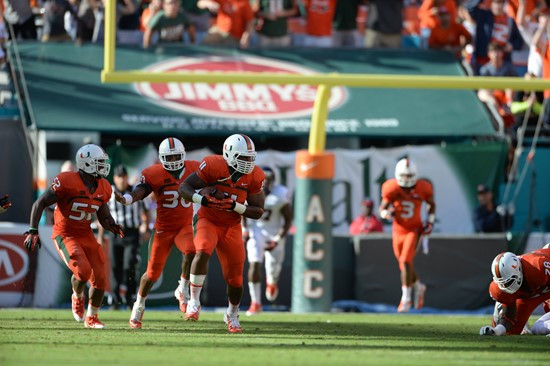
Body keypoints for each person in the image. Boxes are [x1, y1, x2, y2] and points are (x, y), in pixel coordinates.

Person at [23, 144, 124, 329]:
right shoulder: (67, 180)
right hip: (65, 234)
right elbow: (40, 202)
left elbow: (103, 213)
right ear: (87, 163)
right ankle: (77, 296)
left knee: (101, 276)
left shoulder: (103, 186)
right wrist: (33, 230)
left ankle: (92, 318)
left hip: (85, 234)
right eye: (99, 163)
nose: (103, 166)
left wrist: (111, 224)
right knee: (83, 271)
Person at [178, 134, 265, 333]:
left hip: (232, 227)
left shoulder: (255, 175)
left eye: (251, 158)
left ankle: (232, 314)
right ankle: (194, 302)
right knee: (202, 250)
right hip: (208, 219)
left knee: (235, 280)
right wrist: (204, 200)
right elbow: (184, 187)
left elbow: (258, 211)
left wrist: (236, 206)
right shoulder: (213, 166)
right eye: (243, 158)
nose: (248, 163)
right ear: (229, 154)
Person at [116, 138, 200, 329]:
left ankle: (183, 288)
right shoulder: (154, 173)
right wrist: (128, 199)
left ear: (183, 154)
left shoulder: (193, 168)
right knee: (152, 274)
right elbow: (141, 190)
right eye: (169, 157)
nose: (173, 160)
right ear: (162, 158)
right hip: (163, 229)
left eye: (176, 156)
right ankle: (139, 305)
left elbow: (210, 178)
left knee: (191, 251)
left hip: (184, 226)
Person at [379, 158, 435, 313]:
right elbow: (382, 207)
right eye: (404, 176)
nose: (407, 180)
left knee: (405, 260)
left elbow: (431, 204)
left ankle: (406, 299)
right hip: (398, 230)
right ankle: (418, 286)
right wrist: (385, 213)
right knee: (404, 264)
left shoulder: (423, 187)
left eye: (409, 176)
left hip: (414, 229)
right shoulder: (391, 187)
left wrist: (430, 222)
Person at [98, 165, 149, 309]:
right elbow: (101, 215)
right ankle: (114, 300)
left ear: (127, 177)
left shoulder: (136, 192)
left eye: (124, 176)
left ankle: (129, 298)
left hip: (132, 233)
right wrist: (101, 236)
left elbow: (146, 211)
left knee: (129, 266)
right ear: (115, 178)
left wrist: (145, 226)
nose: (121, 180)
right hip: (114, 233)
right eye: (119, 177)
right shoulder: (109, 192)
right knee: (115, 267)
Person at [243, 166, 292, 316]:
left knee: (273, 268)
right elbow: (242, 212)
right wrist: (245, 229)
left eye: (267, 180)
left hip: (274, 232)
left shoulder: (280, 194)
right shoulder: (248, 191)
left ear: (273, 181)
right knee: (254, 263)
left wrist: (277, 239)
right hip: (256, 230)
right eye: (261, 180)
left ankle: (272, 280)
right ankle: (256, 302)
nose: (264, 183)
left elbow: (288, 220)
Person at [480, 248, 550, 336]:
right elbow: (509, 318)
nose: (506, 288)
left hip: (545, 285)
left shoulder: (537, 267)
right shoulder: (500, 290)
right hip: (528, 296)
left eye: (509, 282)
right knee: (510, 332)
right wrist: (496, 331)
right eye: (503, 284)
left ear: (519, 271)